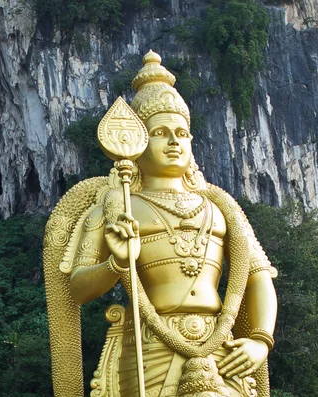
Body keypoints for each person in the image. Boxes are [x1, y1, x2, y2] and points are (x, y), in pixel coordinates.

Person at [44, 50, 277, 397]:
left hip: (219, 344)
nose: (174, 142)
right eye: (161, 133)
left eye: (182, 133)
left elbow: (257, 276)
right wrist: (117, 263)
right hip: (148, 347)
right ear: (137, 142)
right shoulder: (115, 207)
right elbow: (76, 288)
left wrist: (260, 339)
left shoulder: (220, 206)